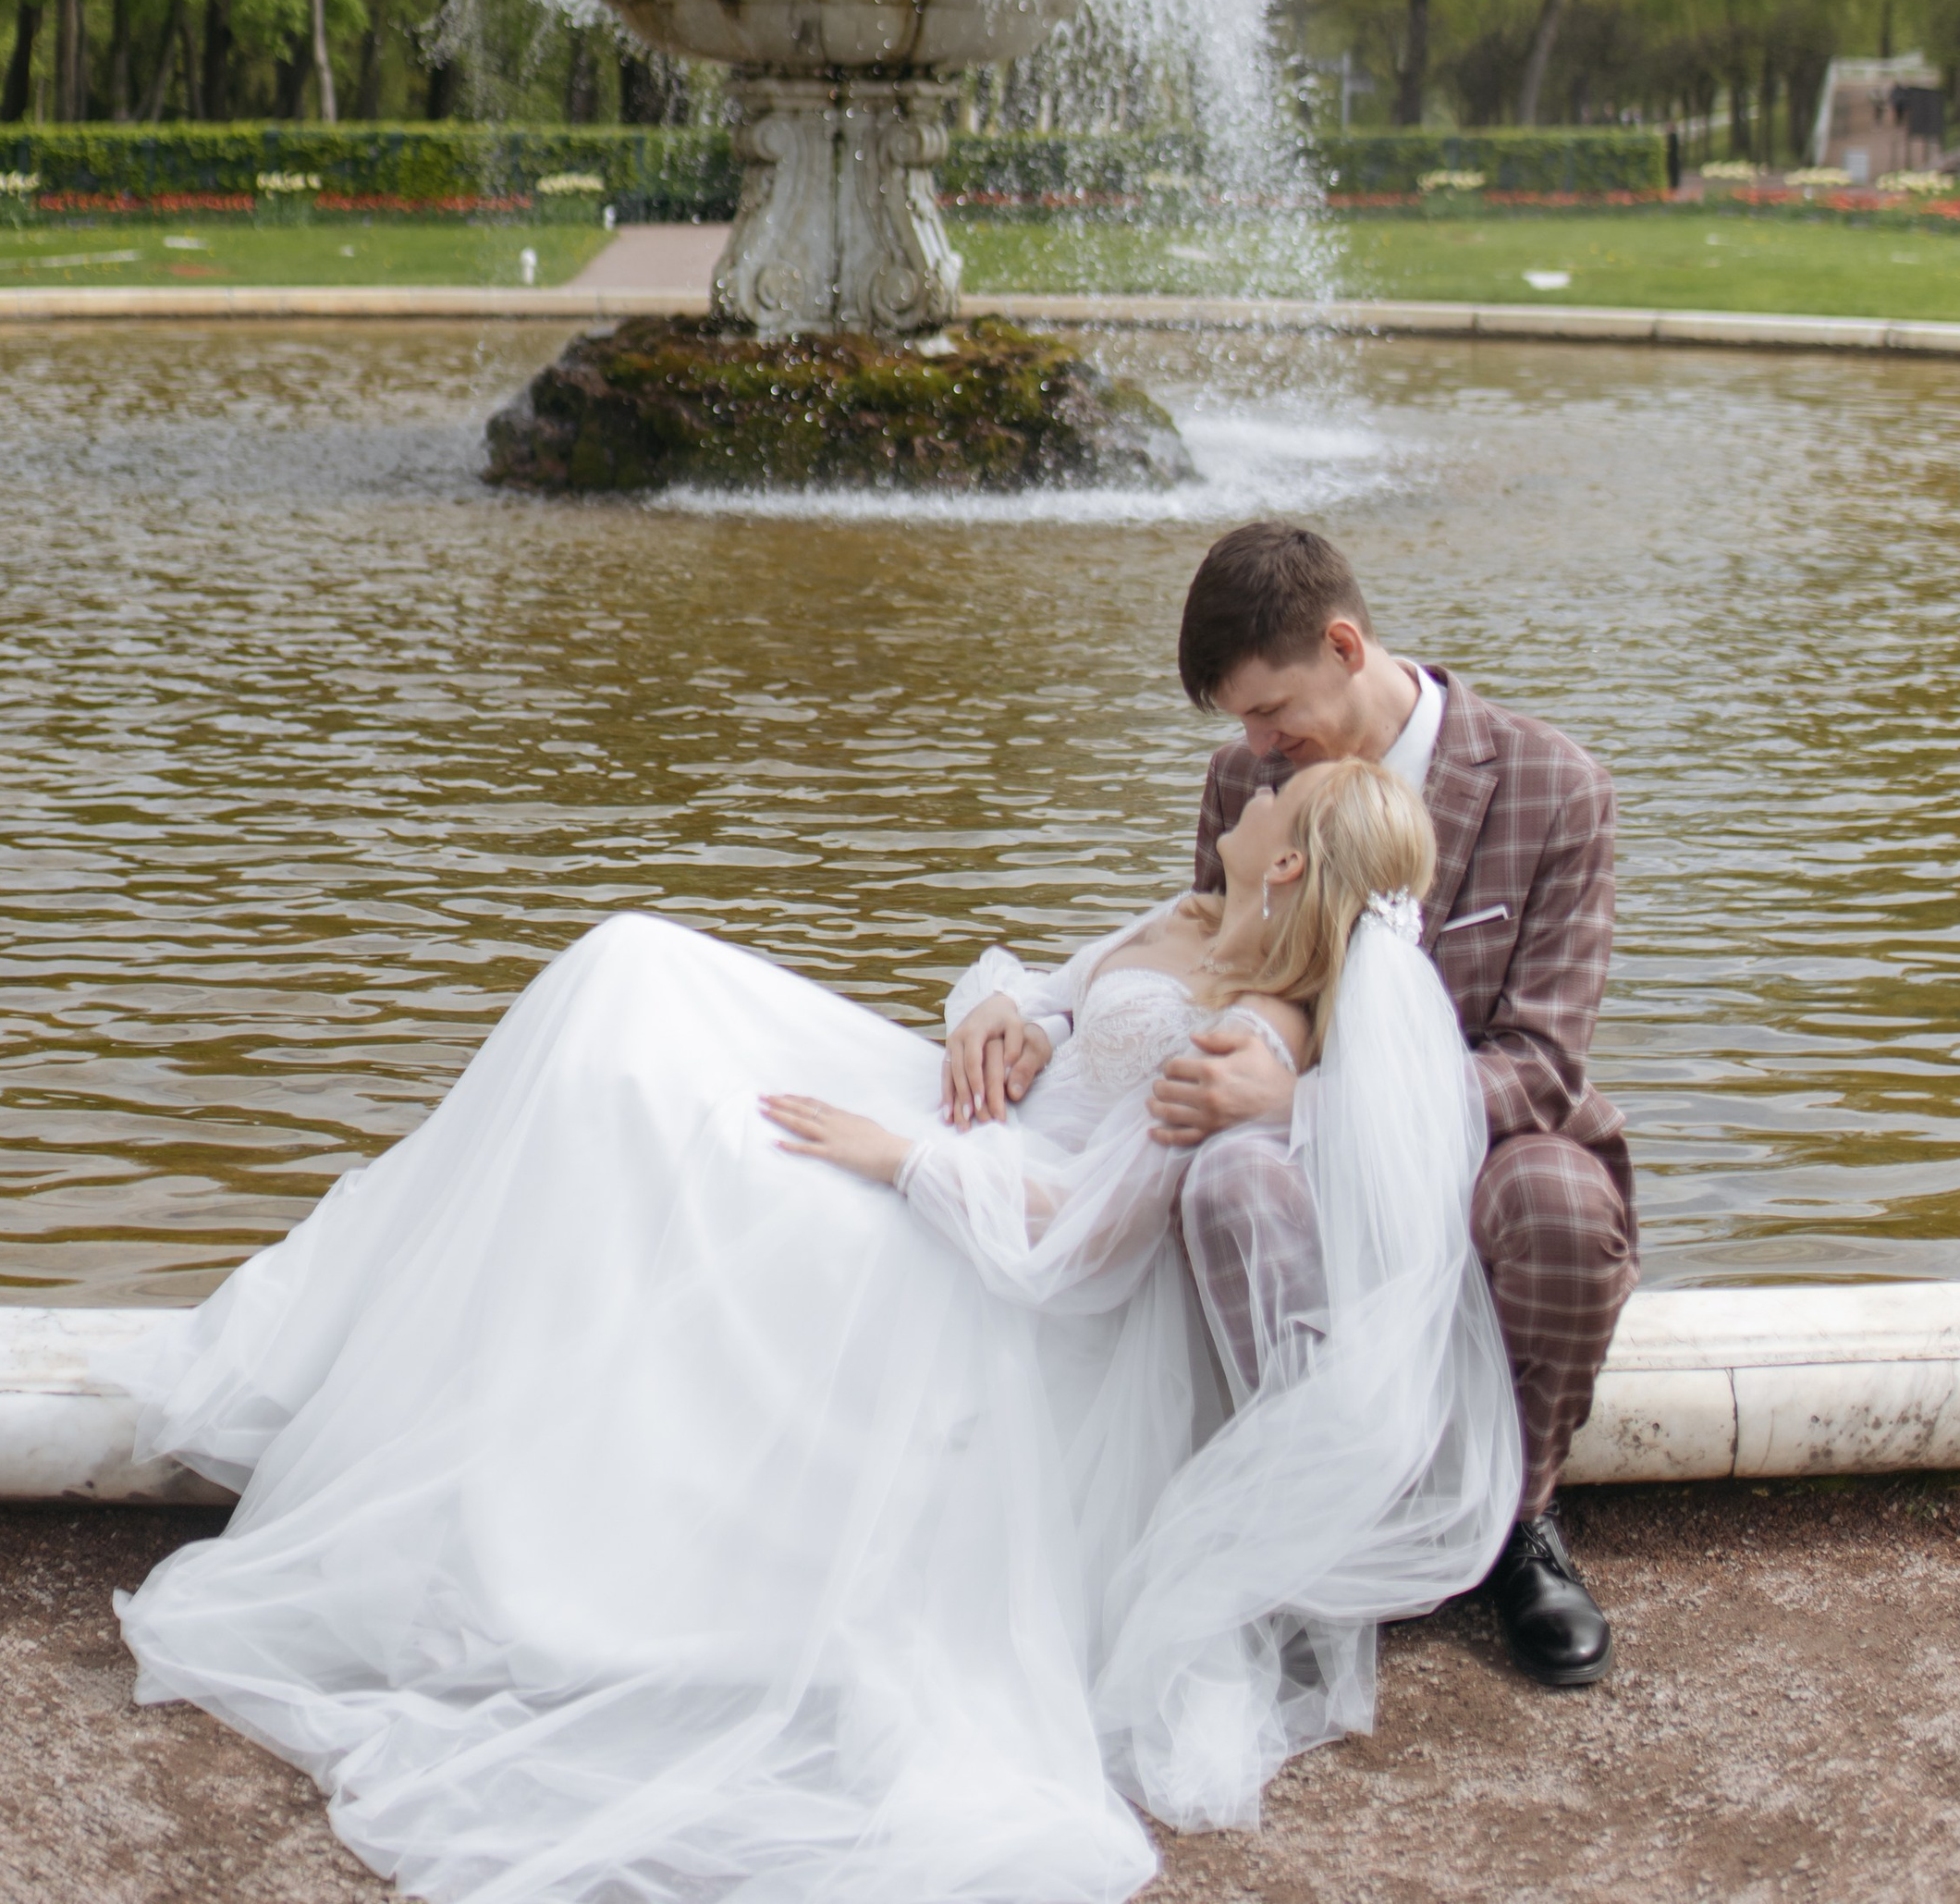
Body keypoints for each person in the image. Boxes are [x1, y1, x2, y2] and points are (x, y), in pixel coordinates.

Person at [116, 758, 1518, 1904]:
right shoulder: (1199, 913)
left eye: (1275, 794)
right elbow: (1049, 990)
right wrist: (1006, 1019)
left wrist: (899, 1160)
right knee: (630, 966)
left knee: (662, 1135)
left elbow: (1095, 1240)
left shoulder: (1248, 1039)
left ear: (1290, 863)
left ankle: (523, 1522)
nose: (1250, 790)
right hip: (959, 1114)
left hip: (985, 1234)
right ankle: (391, 1383)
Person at [954, 519, 1637, 1689]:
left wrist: (1315, 1100)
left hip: (1486, 1140)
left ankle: (1517, 1525)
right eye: (1240, 724)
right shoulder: (1247, 781)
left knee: (1559, 1207)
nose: (1256, 748)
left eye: (1270, 712)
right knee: (1225, 1174)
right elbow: (1192, 961)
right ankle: (1310, 1513)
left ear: (1344, 645)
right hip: (1271, 1129)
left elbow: (1541, 1063)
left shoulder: (1554, 786)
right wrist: (1042, 1022)